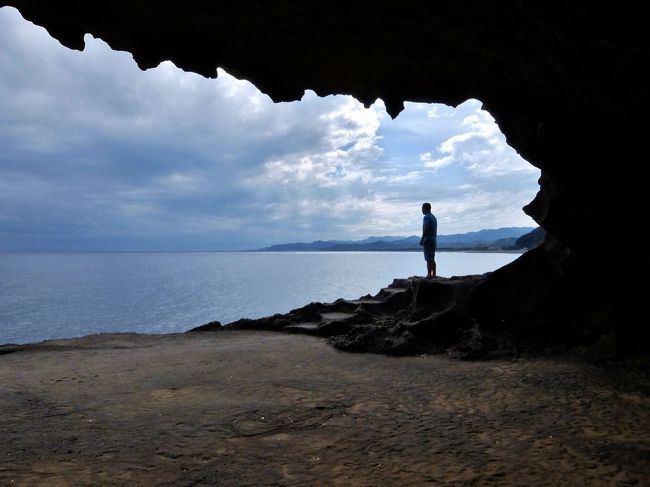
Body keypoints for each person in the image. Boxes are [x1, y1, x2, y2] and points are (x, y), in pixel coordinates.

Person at [419, 202, 437, 278]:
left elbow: (426, 228)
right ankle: (434, 274)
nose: (421, 210)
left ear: (425, 208)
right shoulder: (434, 217)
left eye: (422, 208)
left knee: (428, 259)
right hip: (434, 239)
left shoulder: (426, 217)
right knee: (432, 258)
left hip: (428, 239)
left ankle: (429, 275)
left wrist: (423, 239)